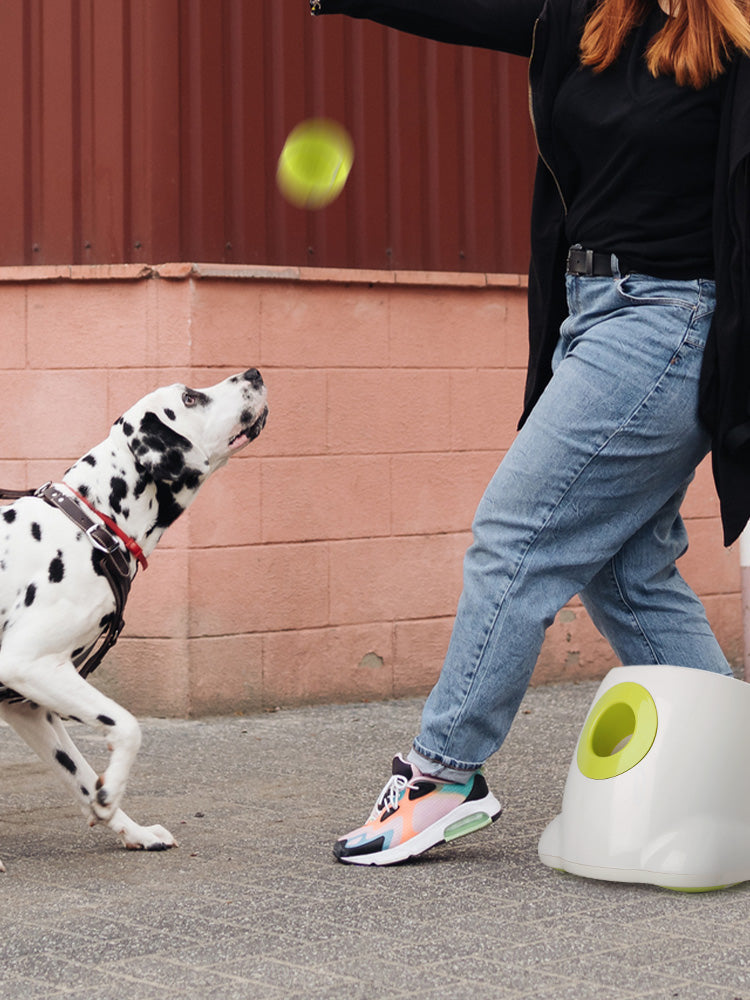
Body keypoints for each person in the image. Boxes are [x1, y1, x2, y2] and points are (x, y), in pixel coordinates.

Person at [310, 0, 750, 866]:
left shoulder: (734, 40)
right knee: (626, 571)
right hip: (590, 313)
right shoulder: (583, 16)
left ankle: (444, 774)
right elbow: (459, 8)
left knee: (517, 534)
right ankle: (732, 781)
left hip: (670, 325)